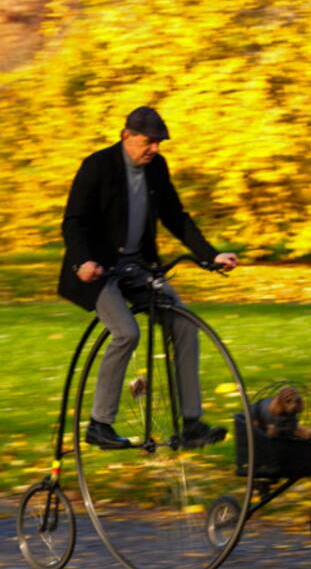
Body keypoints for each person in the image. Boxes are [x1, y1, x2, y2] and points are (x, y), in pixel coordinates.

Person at [59, 106, 239, 450]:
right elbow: (73, 221)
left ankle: (191, 424)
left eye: (159, 143)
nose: (154, 149)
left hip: (138, 267)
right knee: (126, 332)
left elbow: (176, 216)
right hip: (98, 270)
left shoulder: (156, 168)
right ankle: (100, 424)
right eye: (149, 141)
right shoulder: (98, 165)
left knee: (185, 325)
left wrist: (211, 255)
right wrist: (83, 261)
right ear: (127, 136)